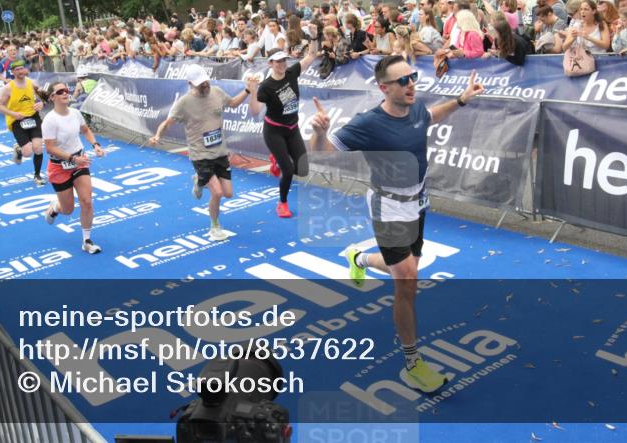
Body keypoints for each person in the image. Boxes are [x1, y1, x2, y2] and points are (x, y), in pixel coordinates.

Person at [308, 57, 485, 393]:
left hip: (417, 203)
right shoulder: (368, 123)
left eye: (413, 77)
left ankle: (358, 259)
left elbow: (433, 116)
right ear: (383, 88)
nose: (411, 85)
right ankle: (412, 361)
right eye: (402, 81)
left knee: (403, 269)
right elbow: (324, 154)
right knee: (407, 280)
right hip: (388, 207)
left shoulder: (416, 108)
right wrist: (319, 133)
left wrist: (461, 100)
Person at [150, 65, 251, 239]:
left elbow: (233, 103)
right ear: (190, 83)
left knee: (228, 193)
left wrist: (248, 90)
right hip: (200, 155)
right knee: (217, 193)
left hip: (220, 152)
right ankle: (214, 226)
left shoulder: (217, 92)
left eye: (205, 81)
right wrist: (157, 135)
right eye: (200, 84)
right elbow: (167, 122)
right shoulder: (184, 103)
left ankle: (199, 181)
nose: (205, 85)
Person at [249, 43, 319, 218]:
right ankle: (282, 203)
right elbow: (256, 111)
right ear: (270, 63)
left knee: (302, 169)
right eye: (277, 61)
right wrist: (252, 92)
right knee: (287, 170)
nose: (282, 64)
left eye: (283, 60)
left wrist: (313, 36)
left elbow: (311, 55)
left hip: (292, 128)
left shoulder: (291, 73)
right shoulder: (266, 86)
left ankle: (278, 159)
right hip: (274, 131)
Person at [41, 81, 106, 253]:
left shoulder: (76, 113)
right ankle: (55, 207)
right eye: (60, 91)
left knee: (87, 201)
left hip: (79, 161)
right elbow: (49, 148)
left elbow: (85, 130)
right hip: (58, 166)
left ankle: (87, 241)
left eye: (66, 90)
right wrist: (72, 158)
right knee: (68, 209)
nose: (65, 93)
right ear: (52, 97)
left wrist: (95, 145)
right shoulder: (49, 120)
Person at [0, 59, 47, 186]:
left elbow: (45, 96)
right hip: (17, 120)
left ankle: (37, 175)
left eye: (22, 68)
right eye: (17, 69)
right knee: (28, 153)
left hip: (33, 117)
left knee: (38, 148)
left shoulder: (32, 83)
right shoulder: (8, 88)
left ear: (26, 70)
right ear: (12, 72)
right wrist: (13, 114)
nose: (20, 71)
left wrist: (41, 103)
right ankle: (19, 149)